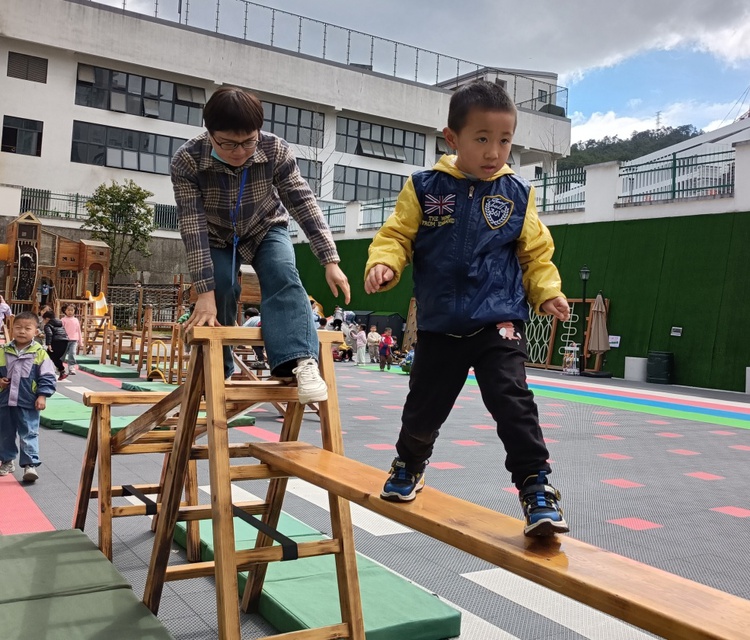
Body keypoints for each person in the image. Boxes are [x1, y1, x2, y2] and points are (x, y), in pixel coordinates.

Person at [364, 80, 571, 537]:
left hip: (498, 321)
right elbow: (397, 235)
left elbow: (536, 254)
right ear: (452, 138)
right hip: (441, 324)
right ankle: (410, 464)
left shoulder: (517, 193)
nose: (494, 152)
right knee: (424, 407)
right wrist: (385, 263)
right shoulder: (424, 188)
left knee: (513, 402)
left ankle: (536, 486)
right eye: (482, 139)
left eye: (505, 140)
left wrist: (547, 292)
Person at [171, 86, 350, 404]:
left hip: (265, 226)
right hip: (214, 235)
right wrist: (205, 294)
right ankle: (218, 369)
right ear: (210, 133)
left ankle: (298, 362)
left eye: (248, 142)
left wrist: (330, 260)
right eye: (228, 144)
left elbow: (302, 202)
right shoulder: (187, 161)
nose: (240, 152)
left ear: (258, 132)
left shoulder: (274, 150)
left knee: (282, 272)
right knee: (222, 286)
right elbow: (193, 227)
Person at [0, 311, 57, 482]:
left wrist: (42, 395)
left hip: (28, 401)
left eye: (27, 328)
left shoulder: (39, 353)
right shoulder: (3, 351)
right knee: (4, 433)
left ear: (36, 331)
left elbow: (48, 376)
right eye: (18, 327)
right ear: (12, 328)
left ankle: (29, 465)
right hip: (5, 401)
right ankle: (7, 460)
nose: (22, 331)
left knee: (29, 433)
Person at [41, 310, 70, 381]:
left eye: (44, 319)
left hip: (56, 342)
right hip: (65, 341)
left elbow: (49, 334)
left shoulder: (47, 325)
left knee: (50, 356)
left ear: (47, 319)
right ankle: (61, 371)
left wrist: (48, 344)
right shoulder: (60, 324)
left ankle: (61, 371)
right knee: (55, 357)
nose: (43, 321)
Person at [60, 303, 83, 375]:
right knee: (62, 355)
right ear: (65, 310)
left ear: (74, 311)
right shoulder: (63, 320)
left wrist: (80, 341)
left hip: (74, 340)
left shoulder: (76, 320)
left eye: (72, 310)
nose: (70, 312)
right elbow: (60, 330)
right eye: (68, 310)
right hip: (64, 340)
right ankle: (60, 367)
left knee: (72, 353)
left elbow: (78, 331)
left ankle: (71, 368)